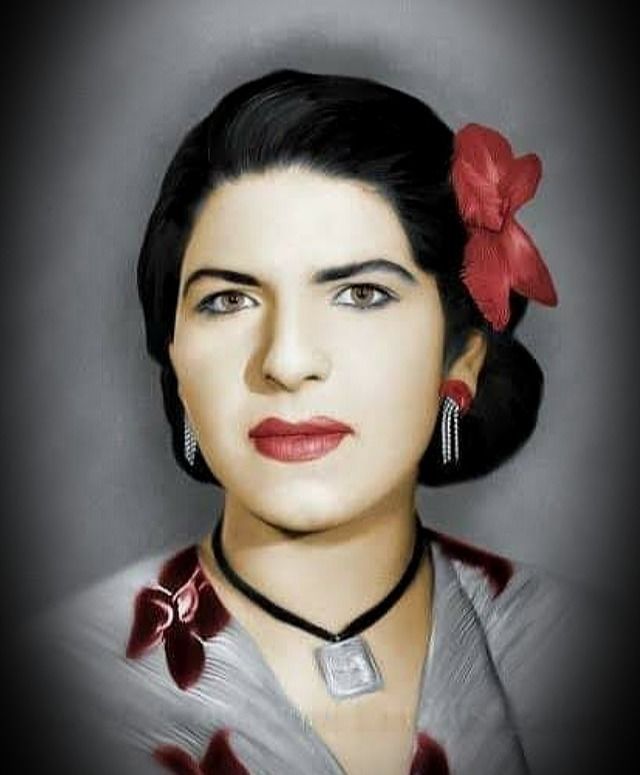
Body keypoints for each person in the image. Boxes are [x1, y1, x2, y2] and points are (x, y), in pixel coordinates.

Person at [14, 69, 618, 775]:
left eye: (360, 294)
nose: (287, 361)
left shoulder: (576, 649)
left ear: (462, 356)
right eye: (229, 300)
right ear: (174, 355)